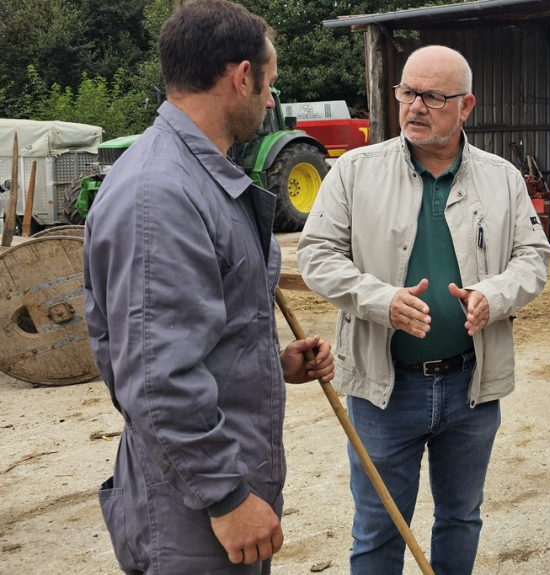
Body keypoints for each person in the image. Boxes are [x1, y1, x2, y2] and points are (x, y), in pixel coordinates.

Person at [83, 1, 336, 573]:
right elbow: (157, 377)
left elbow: (192, 334)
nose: (270, 99)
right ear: (240, 76)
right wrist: (226, 496)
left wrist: (273, 362)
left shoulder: (198, 176)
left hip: (205, 491)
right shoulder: (161, 195)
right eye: (269, 82)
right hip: (191, 512)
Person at [296, 45, 550, 575]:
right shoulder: (356, 172)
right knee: (378, 529)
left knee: (461, 518)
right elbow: (316, 255)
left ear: (466, 106)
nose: (414, 106)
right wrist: (382, 301)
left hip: (470, 386)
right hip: (384, 389)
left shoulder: (501, 177)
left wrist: (494, 296)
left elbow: (533, 257)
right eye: (407, 92)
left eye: (433, 96)